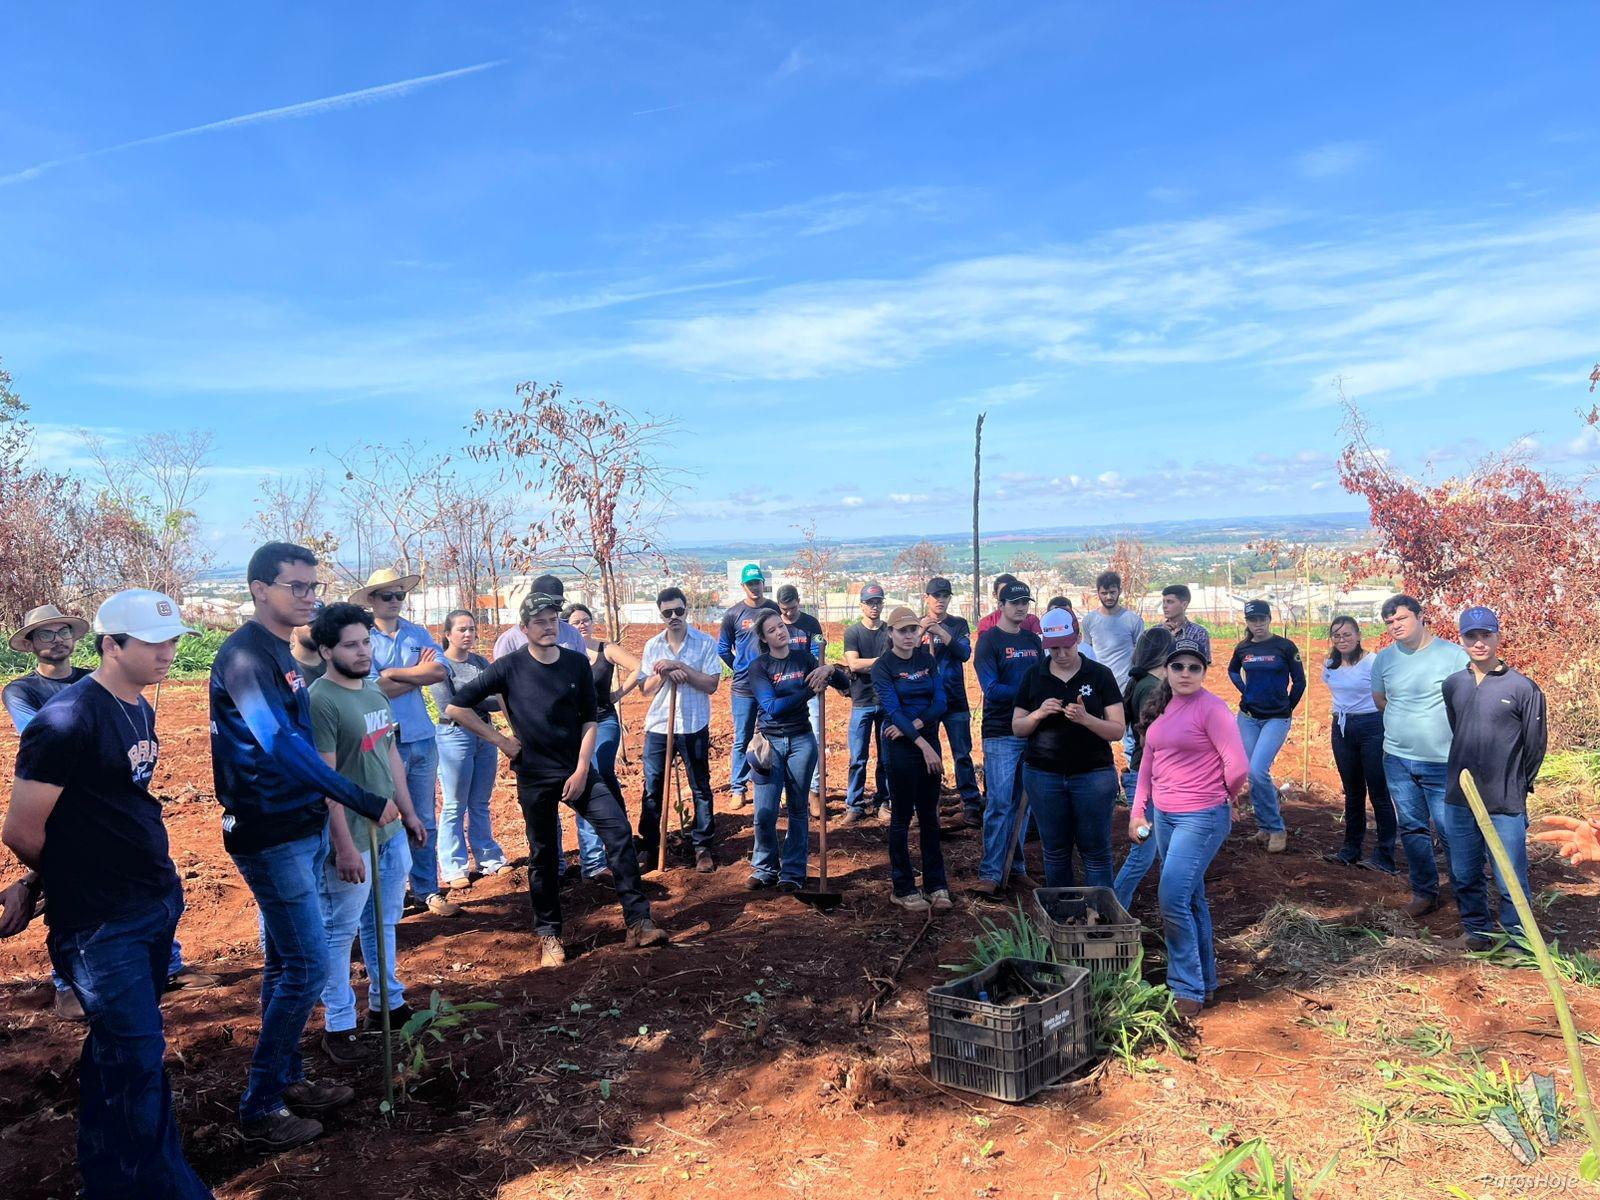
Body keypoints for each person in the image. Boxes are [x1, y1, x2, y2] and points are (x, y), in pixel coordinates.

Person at [1, 589, 214, 1197]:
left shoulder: (138, 705)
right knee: (139, 1061)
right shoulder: (65, 720)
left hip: (152, 900)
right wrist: (63, 879)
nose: (168, 653)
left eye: (173, 641)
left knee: (118, 1055)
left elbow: (99, 809)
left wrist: (43, 878)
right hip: (101, 923)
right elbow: (22, 831)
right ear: (111, 645)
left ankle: (107, 1180)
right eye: (153, 642)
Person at [211, 542, 400, 1150]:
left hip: (300, 824)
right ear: (259, 589)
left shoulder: (281, 652)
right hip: (269, 832)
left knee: (284, 963)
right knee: (309, 965)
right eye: (296, 586)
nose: (309, 596)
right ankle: (261, 1107)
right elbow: (279, 743)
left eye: (313, 586)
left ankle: (287, 1078)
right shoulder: (246, 656)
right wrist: (357, 797)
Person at [6, 603, 217, 1022]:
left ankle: (167, 966)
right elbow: (40, 744)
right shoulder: (33, 697)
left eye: (63, 631)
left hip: (132, 857)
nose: (57, 640)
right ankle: (68, 983)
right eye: (45, 633)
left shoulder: (110, 686)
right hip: (63, 803)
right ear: (30, 644)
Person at [443, 592, 668, 967]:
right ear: (524, 628)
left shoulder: (576, 663)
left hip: (578, 769)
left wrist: (581, 769)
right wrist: (502, 741)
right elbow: (456, 707)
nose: (549, 627)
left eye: (553, 620)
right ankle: (549, 935)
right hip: (534, 775)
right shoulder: (508, 667)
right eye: (540, 622)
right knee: (544, 854)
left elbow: (590, 719)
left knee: (618, 832)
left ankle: (639, 922)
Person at [307, 604, 428, 1064]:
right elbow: (325, 781)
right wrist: (342, 845)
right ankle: (339, 1024)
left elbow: (389, 754)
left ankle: (387, 1003)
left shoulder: (374, 691)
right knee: (339, 931)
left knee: (383, 920)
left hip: (390, 831)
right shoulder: (321, 701)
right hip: (352, 837)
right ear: (326, 651)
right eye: (351, 645)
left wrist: (410, 813)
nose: (362, 652)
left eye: (365, 643)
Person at [1128, 638, 1248, 1017]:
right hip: (1165, 815)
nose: (1185, 673)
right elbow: (1147, 763)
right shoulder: (1160, 705)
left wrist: (1224, 796)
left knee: (1172, 898)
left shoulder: (1213, 709)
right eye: (1178, 666)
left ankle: (1186, 987)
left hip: (1201, 817)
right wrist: (1138, 811)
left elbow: (1238, 766)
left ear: (1204, 672)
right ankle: (1205, 982)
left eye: (1194, 668)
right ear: (1166, 670)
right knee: (1191, 898)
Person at [348, 567, 459, 919]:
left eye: (400, 595)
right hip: (379, 741)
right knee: (383, 817)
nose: (395, 601)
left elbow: (439, 671)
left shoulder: (417, 632)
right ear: (372, 600)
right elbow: (370, 687)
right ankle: (385, 895)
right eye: (387, 596)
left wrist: (393, 673)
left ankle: (426, 889)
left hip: (421, 737)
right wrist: (415, 675)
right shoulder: (362, 638)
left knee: (423, 816)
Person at [1439, 607, 1548, 950]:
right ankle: (1476, 931)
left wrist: (1515, 783)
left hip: (1504, 799)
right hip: (1460, 798)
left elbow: (1535, 746)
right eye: (1471, 636)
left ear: (1498, 636)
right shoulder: (1453, 684)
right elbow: (1459, 727)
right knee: (1464, 871)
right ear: (1461, 639)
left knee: (1509, 874)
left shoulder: (1523, 688)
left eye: (1486, 635)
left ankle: (1518, 942)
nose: (1479, 642)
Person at [1370, 594, 1470, 920]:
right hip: (1397, 759)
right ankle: (1425, 893)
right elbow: (1380, 700)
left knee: (1450, 830)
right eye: (1389, 622)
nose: (1395, 626)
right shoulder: (1385, 660)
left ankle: (1467, 897)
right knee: (1412, 828)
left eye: (1401, 618)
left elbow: (1467, 705)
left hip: (1442, 761)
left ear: (1420, 615)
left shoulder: (1453, 656)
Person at [1012, 608, 1125, 890]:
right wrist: (1038, 714)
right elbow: (1018, 727)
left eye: (1067, 646)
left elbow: (1117, 730)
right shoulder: (1034, 676)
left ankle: (1099, 910)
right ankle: (1063, 911)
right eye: (1054, 648)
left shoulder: (1099, 675)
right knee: (1055, 850)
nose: (1061, 654)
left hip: (1093, 774)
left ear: (1078, 638)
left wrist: (1086, 719)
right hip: (1044, 775)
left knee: (1095, 851)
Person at [746, 609, 848, 892]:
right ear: (764, 639)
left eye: (781, 626)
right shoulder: (759, 667)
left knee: (798, 809)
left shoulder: (804, 659)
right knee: (765, 812)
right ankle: (765, 868)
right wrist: (809, 691)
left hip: (802, 741)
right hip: (769, 744)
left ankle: (792, 872)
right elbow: (772, 707)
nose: (780, 632)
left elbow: (844, 686)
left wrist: (831, 671)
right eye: (772, 630)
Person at [636, 587, 722, 873]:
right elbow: (645, 689)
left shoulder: (705, 642)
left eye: (679, 611)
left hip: (693, 724)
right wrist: (664, 673)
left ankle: (702, 846)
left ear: (687, 610)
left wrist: (681, 666)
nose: (674, 616)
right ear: (660, 614)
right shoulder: (652, 646)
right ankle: (650, 846)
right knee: (653, 788)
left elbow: (711, 684)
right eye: (667, 612)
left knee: (700, 785)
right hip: (660, 725)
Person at [874, 606, 951, 912]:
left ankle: (936, 884)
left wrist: (916, 726)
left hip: (922, 736)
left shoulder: (927, 661)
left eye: (913, 630)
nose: (908, 636)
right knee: (902, 817)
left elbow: (940, 701)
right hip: (901, 748)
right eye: (902, 631)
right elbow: (893, 711)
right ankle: (903, 887)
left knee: (930, 815)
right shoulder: (883, 667)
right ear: (891, 633)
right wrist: (922, 744)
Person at [971, 580, 1043, 897]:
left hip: (1031, 729)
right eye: (1015, 602)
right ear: (1001, 606)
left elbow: (1043, 676)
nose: (1021, 607)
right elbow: (992, 689)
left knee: (1022, 804)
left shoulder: (1032, 641)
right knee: (1000, 803)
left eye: (1025, 602)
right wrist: (1029, 695)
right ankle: (990, 872)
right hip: (1001, 732)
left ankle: (1015, 867)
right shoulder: (989, 642)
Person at [428, 611, 511, 890]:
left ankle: (489, 858)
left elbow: (497, 698)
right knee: (454, 804)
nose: (468, 634)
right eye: (461, 629)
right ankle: (454, 866)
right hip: (455, 736)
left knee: (480, 801)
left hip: (484, 735)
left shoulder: (480, 663)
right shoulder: (440, 666)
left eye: (472, 629)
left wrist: (476, 701)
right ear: (447, 634)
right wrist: (481, 700)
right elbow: (448, 706)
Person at [566, 603, 644, 877]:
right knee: (595, 781)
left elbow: (638, 667)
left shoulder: (605, 649)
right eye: (576, 622)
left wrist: (617, 694)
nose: (582, 625)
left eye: (585, 619)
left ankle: (618, 843)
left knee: (599, 771)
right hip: (575, 727)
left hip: (603, 720)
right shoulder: (564, 653)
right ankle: (598, 855)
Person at [1227, 600, 1306, 853]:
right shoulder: (1243, 648)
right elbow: (1232, 671)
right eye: (1253, 620)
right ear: (1247, 622)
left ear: (1270, 619)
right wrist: (1245, 690)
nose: (1258, 624)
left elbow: (1300, 681)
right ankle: (1264, 827)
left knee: (1258, 770)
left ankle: (1277, 828)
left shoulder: (1285, 646)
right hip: (1249, 717)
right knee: (1250, 772)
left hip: (1276, 718)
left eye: (1262, 619)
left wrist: (1287, 706)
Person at [1321, 615, 1396, 872]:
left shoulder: (1372, 662)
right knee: (1352, 791)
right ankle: (1350, 849)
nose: (1342, 639)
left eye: (1347, 634)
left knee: (1378, 792)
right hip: (1342, 728)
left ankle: (1385, 855)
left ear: (1358, 635)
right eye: (1337, 635)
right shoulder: (1330, 664)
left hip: (1371, 727)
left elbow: (1386, 695)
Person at [1111, 626, 1176, 908]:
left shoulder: (1144, 682)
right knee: (1143, 854)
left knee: (1157, 849)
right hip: (1148, 777)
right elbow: (1149, 738)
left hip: (1145, 774)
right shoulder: (1151, 687)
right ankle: (1112, 912)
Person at [718, 563, 779, 811]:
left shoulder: (773, 609)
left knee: (773, 734)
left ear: (764, 584)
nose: (755, 587)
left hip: (771, 684)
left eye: (758, 582)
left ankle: (775, 784)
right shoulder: (733, 614)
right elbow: (723, 648)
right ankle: (738, 788)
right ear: (743, 586)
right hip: (743, 687)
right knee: (742, 737)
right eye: (750, 583)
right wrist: (740, 667)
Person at [921, 576, 982, 827]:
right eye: (936, 596)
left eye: (945, 596)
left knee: (962, 754)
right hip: (926, 701)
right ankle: (929, 804)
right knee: (929, 754)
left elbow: (964, 653)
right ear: (927, 598)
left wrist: (940, 632)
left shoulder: (958, 625)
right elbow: (906, 653)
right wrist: (922, 631)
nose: (941, 600)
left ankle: (971, 803)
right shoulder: (916, 625)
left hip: (955, 699)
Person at [841, 582, 893, 825]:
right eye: (870, 602)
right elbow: (853, 664)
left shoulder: (889, 631)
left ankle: (884, 801)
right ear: (861, 605)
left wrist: (868, 663)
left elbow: (893, 661)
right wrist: (882, 662)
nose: (874, 606)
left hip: (886, 701)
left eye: (878, 602)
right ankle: (855, 804)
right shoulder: (853, 633)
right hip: (861, 702)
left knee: (886, 757)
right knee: (857, 758)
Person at [776, 584, 827, 805]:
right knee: (782, 739)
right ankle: (786, 789)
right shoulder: (775, 626)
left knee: (814, 737)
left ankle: (814, 790)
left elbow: (817, 652)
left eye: (792, 608)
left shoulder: (811, 624)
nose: (788, 614)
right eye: (784, 609)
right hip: (782, 691)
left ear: (799, 601)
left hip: (809, 688)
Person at [491, 573, 587, 659]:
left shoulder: (573, 634)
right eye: (544, 602)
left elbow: (583, 668)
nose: (550, 607)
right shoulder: (510, 640)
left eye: (557, 602)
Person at [1082, 571, 1145, 692]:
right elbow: (1088, 651)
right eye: (1104, 593)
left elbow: (1141, 653)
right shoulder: (1089, 620)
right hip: (1098, 683)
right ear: (1098, 593)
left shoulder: (1134, 620)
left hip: (1126, 685)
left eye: (1112, 592)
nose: (1109, 597)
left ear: (1119, 591)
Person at [977, 573, 1043, 636]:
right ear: (995, 595)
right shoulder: (987, 622)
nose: (1009, 594)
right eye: (1004, 591)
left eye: (1024, 602)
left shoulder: (1031, 620)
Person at [1158, 585, 1211, 662]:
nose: (1164, 606)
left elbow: (1203, 663)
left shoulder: (1198, 632)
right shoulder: (1154, 632)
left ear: (1184, 605)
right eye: (1163, 602)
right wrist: (1161, 635)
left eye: (1170, 602)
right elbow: (1148, 661)